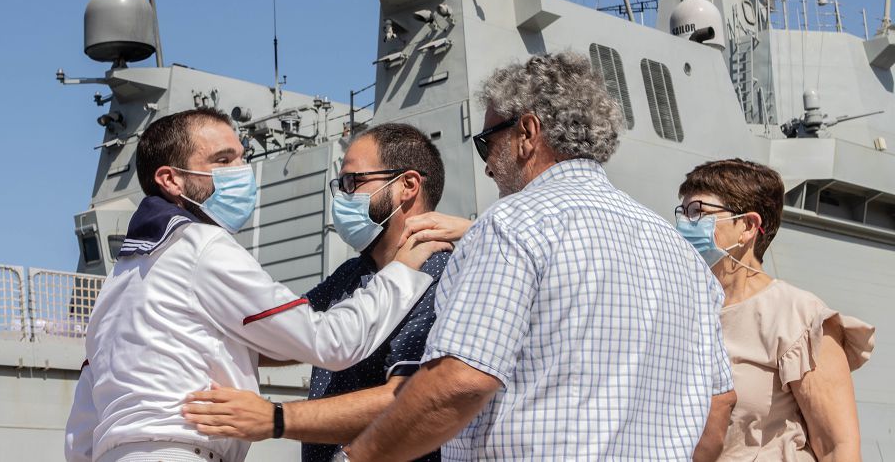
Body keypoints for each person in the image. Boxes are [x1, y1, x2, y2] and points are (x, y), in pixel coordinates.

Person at [344, 52, 736, 461]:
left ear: (527, 132)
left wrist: (358, 457)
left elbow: (461, 382)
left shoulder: (512, 224)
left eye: (486, 143)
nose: (487, 167)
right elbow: (719, 404)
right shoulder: (683, 255)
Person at [64, 108, 451, 462]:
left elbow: (82, 429)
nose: (241, 171)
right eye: (223, 160)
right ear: (170, 179)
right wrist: (404, 270)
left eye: (241, 157)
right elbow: (327, 339)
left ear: (409, 186)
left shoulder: (120, 280)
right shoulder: (202, 247)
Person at [181, 123, 472, 462]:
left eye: (353, 182)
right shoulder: (352, 275)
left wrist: (275, 418)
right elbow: (287, 336)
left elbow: (409, 398)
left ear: (407, 185)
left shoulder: (440, 273)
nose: (343, 197)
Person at [676, 158, 875, 461]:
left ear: (747, 226)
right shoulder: (683, 306)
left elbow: (838, 447)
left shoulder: (798, 316)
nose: (683, 225)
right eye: (683, 212)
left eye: (698, 213)